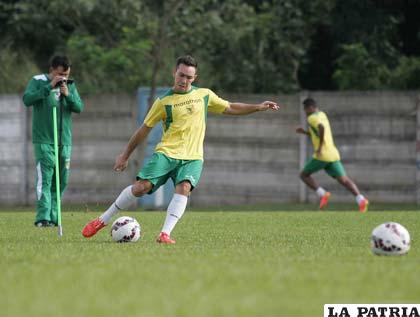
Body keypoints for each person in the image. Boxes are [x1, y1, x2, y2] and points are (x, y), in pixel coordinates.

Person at [82, 55, 279, 243]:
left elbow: (230, 107)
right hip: (167, 153)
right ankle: (102, 220)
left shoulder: (204, 95)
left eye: (188, 77)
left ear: (195, 78)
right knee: (142, 188)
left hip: (193, 157)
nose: (184, 80)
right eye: (181, 75)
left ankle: (164, 234)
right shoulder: (163, 102)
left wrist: (258, 107)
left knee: (184, 188)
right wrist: (125, 155)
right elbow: (143, 131)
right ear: (174, 73)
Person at [23, 55, 84, 227]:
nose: (63, 78)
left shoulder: (70, 85)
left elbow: (79, 107)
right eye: (60, 74)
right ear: (52, 70)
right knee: (46, 179)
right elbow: (27, 99)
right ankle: (43, 218)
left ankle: (55, 217)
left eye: (66, 74)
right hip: (44, 140)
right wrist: (49, 87)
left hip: (64, 142)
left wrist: (68, 95)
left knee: (61, 181)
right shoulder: (38, 80)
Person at [296, 97, 368, 212]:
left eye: (305, 109)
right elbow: (317, 132)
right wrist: (304, 132)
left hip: (322, 155)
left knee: (304, 175)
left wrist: (319, 148)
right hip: (333, 153)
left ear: (310, 108)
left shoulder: (312, 118)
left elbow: (321, 127)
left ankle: (322, 194)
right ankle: (361, 199)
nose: (305, 112)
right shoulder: (322, 114)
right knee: (344, 180)